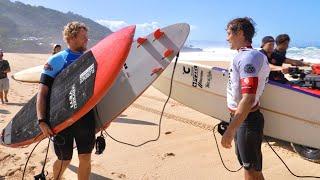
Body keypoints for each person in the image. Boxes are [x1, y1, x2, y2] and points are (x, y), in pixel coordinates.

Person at [36, 21, 95, 180]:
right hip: (61, 119)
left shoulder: (91, 59)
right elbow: (42, 92)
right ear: (72, 37)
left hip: (86, 118)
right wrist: (42, 120)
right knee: (64, 159)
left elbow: (97, 90)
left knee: (85, 158)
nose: (87, 40)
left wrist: (106, 117)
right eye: (83, 37)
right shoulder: (56, 60)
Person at [221, 17, 270, 180]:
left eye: (229, 33)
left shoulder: (248, 57)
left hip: (247, 120)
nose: (227, 37)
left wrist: (231, 129)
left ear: (240, 33)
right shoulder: (243, 56)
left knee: (250, 170)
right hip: (242, 119)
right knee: (250, 167)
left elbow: (248, 99)